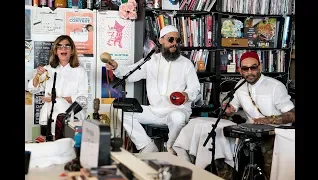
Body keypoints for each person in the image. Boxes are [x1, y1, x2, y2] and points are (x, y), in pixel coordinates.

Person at [105, 25, 200, 153]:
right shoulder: (151, 61)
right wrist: (116, 68)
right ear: (161, 40)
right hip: (154, 111)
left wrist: (186, 95)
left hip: (176, 110)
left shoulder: (186, 64)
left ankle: (172, 148)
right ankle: (146, 145)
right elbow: (131, 74)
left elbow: (195, 88)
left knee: (178, 118)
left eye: (178, 41)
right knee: (122, 111)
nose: (175, 44)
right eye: (171, 40)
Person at [222, 51, 295, 178]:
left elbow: (292, 115)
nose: (249, 72)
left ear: (260, 67)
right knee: (224, 145)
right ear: (240, 71)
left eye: (253, 67)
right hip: (252, 132)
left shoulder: (275, 87)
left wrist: (268, 120)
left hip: (277, 134)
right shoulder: (240, 85)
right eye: (245, 68)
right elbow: (233, 107)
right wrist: (229, 109)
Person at [28, 35, 89, 142]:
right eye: (59, 46)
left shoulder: (80, 71)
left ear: (72, 51)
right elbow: (33, 89)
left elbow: (82, 99)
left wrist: (57, 99)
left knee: (68, 148)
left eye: (67, 46)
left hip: (71, 118)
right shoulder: (48, 69)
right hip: (48, 120)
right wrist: (37, 76)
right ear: (56, 51)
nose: (63, 49)